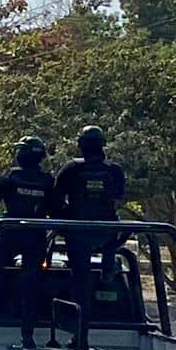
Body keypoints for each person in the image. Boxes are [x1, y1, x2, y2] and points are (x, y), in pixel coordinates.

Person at [49, 126, 128, 335]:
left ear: (81, 145)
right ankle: (108, 264)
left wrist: (66, 219)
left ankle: (80, 333)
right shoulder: (114, 170)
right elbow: (119, 197)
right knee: (108, 250)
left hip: (78, 234)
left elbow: (55, 202)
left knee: (81, 283)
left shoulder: (71, 169)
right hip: (106, 233)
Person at [0, 137, 54, 330]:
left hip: (11, 233)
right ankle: (30, 315)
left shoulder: (10, 178)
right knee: (32, 278)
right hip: (35, 237)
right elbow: (57, 208)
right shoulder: (47, 181)